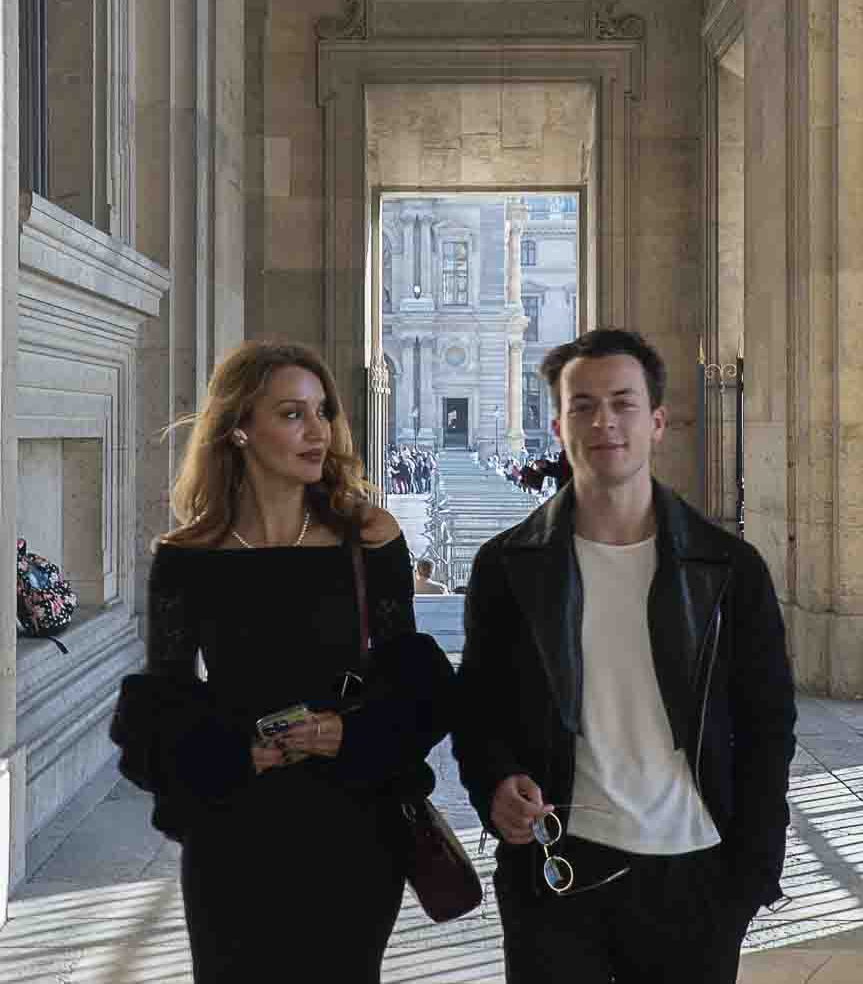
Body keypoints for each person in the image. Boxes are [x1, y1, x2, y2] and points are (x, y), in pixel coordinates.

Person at [453, 328, 796, 984]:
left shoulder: (728, 568)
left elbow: (765, 723)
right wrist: (493, 783)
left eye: (621, 402)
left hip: (694, 870)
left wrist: (751, 874)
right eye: (582, 405)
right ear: (557, 426)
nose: (602, 420)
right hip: (554, 871)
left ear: (656, 422)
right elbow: (477, 707)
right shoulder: (505, 565)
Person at [110, 340, 454, 984]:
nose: (317, 431)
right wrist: (237, 750)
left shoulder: (370, 538)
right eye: (292, 414)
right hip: (235, 828)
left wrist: (348, 732)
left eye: (322, 412)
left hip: (350, 824)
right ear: (239, 428)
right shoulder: (187, 557)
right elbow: (163, 698)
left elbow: (412, 678)